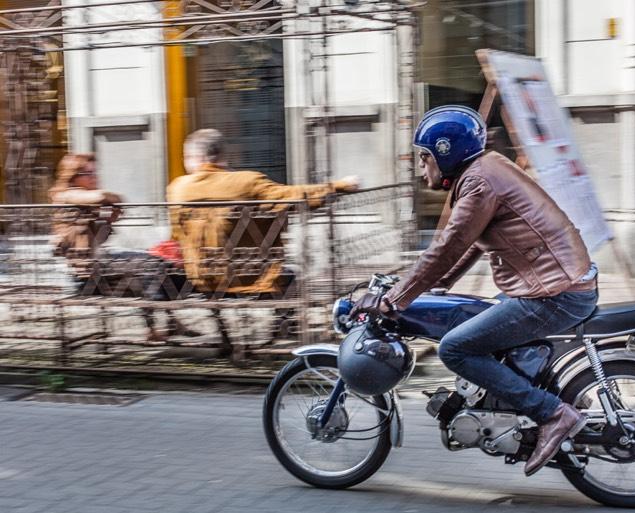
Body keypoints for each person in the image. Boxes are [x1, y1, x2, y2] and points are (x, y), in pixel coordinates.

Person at [352, 106, 599, 477]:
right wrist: (441, 284)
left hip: (552, 292)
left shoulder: (479, 182)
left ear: (446, 151)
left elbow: (448, 246)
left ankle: (552, 413)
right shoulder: (486, 169)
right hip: (555, 285)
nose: (422, 168)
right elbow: (470, 243)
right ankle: (528, 407)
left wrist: (395, 299)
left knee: (455, 347)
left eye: (425, 158)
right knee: (474, 320)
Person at [167, 128, 359, 298]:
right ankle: (284, 327)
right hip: (252, 279)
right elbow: (293, 196)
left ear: (196, 159)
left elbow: (176, 236)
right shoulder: (247, 182)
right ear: (222, 156)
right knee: (289, 275)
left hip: (202, 279)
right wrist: (339, 186)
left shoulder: (177, 189)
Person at [49, 153, 198, 342]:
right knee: (148, 266)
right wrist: (115, 198)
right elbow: (102, 195)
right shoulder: (66, 195)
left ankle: (166, 323)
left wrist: (108, 220)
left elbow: (96, 238)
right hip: (85, 273)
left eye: (95, 172)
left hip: (97, 264)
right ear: (73, 177)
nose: (95, 177)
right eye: (89, 173)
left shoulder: (81, 202)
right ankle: (158, 326)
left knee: (153, 264)